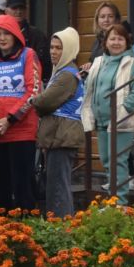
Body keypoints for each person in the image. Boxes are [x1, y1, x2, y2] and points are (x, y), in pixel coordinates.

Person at [0, 12, 41, 215]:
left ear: (15, 35)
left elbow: (34, 90)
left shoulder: (28, 55)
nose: (1, 38)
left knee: (23, 188)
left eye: (6, 33)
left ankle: (27, 233)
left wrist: (10, 119)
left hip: (21, 132)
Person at [86, 20, 134, 202]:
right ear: (106, 42)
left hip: (122, 121)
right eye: (113, 39)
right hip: (102, 120)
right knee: (106, 161)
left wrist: (124, 109)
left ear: (127, 42)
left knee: (117, 161)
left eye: (120, 39)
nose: (116, 42)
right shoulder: (99, 62)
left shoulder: (132, 63)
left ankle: (120, 202)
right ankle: (113, 199)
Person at [33, 28, 86, 216]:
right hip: (59, 136)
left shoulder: (66, 75)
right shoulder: (62, 71)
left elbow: (44, 102)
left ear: (69, 50)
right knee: (55, 183)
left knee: (58, 187)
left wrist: (34, 101)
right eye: (52, 47)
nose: (53, 52)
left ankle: (62, 228)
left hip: (62, 136)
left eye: (59, 48)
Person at [4, 0, 50, 81]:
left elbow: (45, 65)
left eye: (21, 8)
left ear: (26, 11)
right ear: (6, 11)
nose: (18, 11)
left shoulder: (37, 35)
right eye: (14, 8)